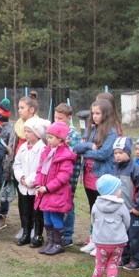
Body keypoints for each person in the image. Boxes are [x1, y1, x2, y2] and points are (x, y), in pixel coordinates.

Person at [74, 99, 119, 252]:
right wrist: (89, 146)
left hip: (101, 175)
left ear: (105, 114)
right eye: (93, 113)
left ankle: (102, 243)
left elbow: (104, 153)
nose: (94, 116)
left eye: (98, 113)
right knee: (93, 209)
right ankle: (94, 239)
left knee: (102, 210)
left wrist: (87, 152)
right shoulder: (92, 129)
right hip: (88, 175)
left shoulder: (111, 131)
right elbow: (77, 147)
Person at [83, 174, 130, 277]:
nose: (121, 191)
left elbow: (93, 221)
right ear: (113, 191)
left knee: (100, 264)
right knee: (113, 264)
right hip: (118, 242)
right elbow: (127, 221)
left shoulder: (96, 205)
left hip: (101, 242)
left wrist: (97, 232)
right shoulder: (121, 205)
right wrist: (121, 232)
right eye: (119, 188)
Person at [34, 122, 76, 255]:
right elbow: (40, 170)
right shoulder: (47, 152)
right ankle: (51, 242)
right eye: (47, 137)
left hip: (57, 193)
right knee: (47, 218)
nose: (48, 140)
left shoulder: (65, 155)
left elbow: (64, 176)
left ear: (60, 139)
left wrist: (48, 187)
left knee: (55, 217)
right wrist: (39, 184)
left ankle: (59, 243)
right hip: (45, 192)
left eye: (51, 137)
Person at [112, 137, 139, 270]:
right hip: (120, 209)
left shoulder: (136, 169)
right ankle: (124, 257)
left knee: (135, 235)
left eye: (121, 152)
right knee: (122, 235)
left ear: (128, 152)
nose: (117, 155)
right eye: (115, 153)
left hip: (133, 210)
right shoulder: (115, 169)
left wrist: (138, 207)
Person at [13, 117, 49, 247]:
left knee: (37, 212)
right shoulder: (22, 147)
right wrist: (21, 177)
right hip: (23, 187)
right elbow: (17, 164)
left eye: (29, 131)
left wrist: (29, 181)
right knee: (24, 210)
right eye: (25, 131)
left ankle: (38, 235)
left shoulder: (43, 149)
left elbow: (41, 167)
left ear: (37, 133)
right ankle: (26, 233)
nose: (26, 134)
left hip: (35, 187)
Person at [54, 103, 82, 246]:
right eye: (55, 117)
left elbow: (68, 156)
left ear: (69, 118)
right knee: (56, 202)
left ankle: (68, 235)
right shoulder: (54, 131)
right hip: (56, 175)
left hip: (69, 176)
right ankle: (57, 232)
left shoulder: (73, 135)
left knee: (68, 203)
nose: (57, 120)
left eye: (60, 118)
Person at [0, 98, 14, 224]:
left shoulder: (8, 130)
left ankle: (3, 212)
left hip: (4, 165)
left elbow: (9, 149)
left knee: (4, 188)